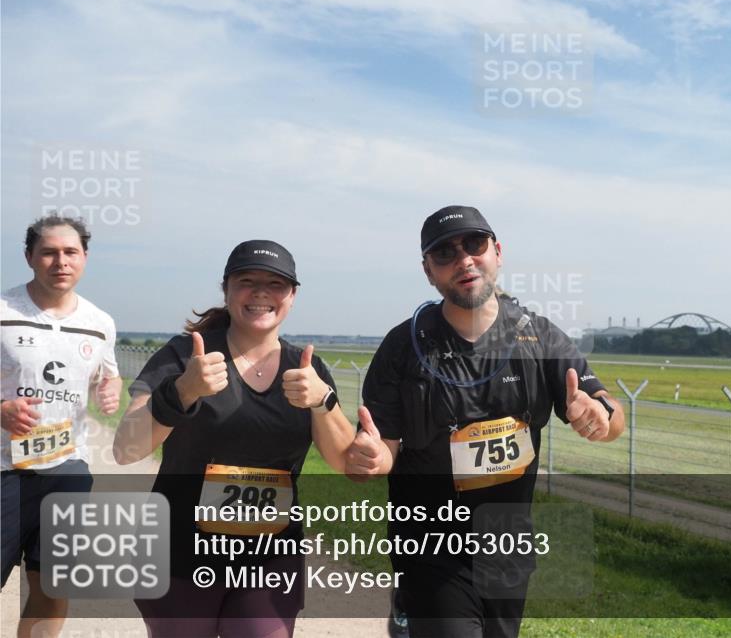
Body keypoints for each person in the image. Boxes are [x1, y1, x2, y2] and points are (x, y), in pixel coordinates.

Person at [346, 205, 625, 638]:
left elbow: (608, 408)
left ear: (497, 251)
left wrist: (601, 418)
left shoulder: (542, 336)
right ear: (428, 271)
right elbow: (383, 449)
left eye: (474, 244)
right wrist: (371, 456)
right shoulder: (404, 346)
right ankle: (410, 607)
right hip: (430, 545)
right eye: (445, 253)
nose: (464, 260)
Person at [113, 240, 355, 638]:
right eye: (247, 281)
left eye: (276, 284)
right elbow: (125, 449)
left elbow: (344, 462)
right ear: (225, 290)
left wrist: (322, 401)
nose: (261, 292)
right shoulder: (184, 357)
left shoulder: (308, 368)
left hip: (271, 553)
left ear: (292, 296)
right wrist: (181, 392)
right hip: (181, 552)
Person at [1, 215, 121, 638]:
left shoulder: (100, 322)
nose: (60, 261)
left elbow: (109, 375)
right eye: (49, 252)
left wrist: (110, 389)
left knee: (53, 582)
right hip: (5, 471)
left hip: (68, 469)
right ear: (30, 257)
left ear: (84, 258)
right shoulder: (2, 312)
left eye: (70, 252)